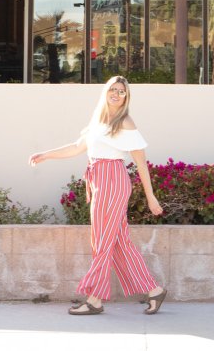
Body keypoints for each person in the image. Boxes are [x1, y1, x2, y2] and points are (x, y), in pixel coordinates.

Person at [29, 75, 167, 316]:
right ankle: (154, 291)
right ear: (105, 91)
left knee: (102, 241)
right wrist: (45, 154)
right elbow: (76, 147)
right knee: (118, 242)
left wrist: (151, 197)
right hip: (98, 180)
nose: (116, 94)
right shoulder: (98, 120)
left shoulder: (125, 122)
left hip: (113, 181)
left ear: (126, 97)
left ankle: (94, 300)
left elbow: (141, 164)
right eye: (113, 89)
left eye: (121, 91)